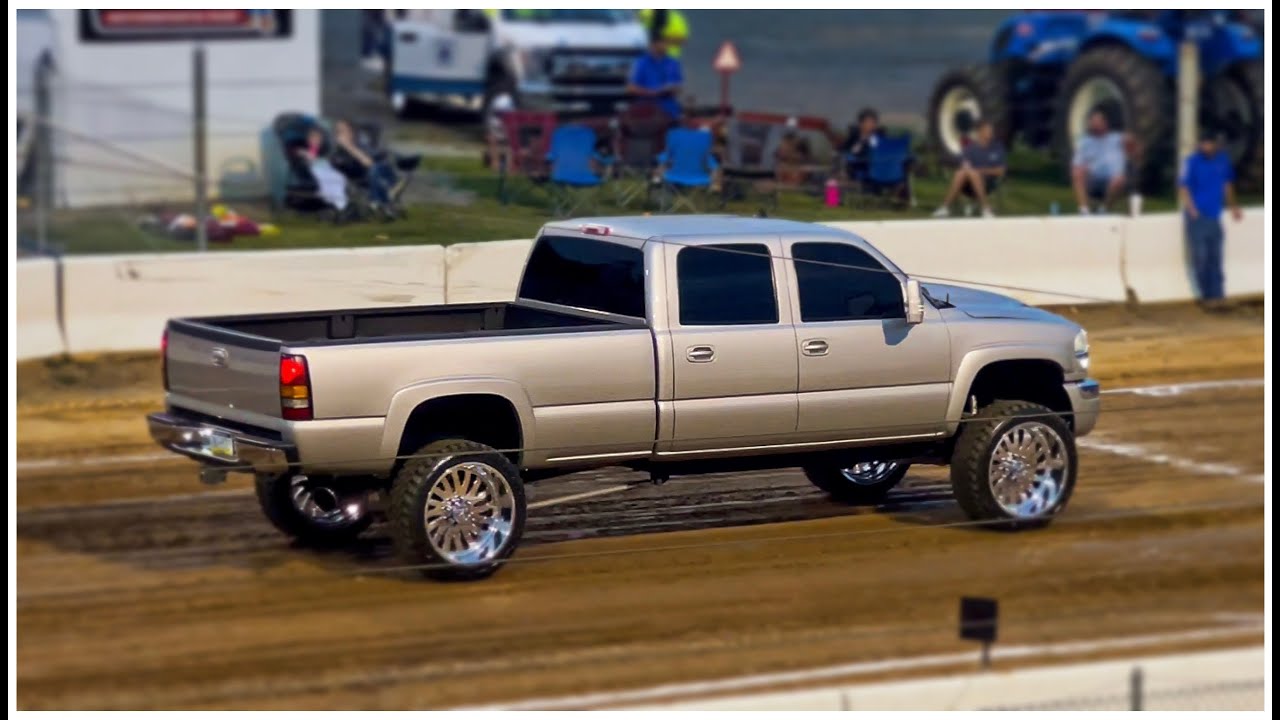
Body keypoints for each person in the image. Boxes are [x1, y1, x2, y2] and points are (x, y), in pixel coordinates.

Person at [1179, 129, 1244, 309]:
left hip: (1215, 215)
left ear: (1215, 144)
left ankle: (1218, 294)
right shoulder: (1191, 162)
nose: (1206, 146)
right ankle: (1207, 295)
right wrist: (1191, 208)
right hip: (1198, 215)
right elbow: (1184, 187)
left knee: (1215, 257)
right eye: (1203, 143)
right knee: (1201, 257)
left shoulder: (1223, 160)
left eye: (1209, 143)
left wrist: (1233, 206)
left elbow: (1227, 185)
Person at [932, 119, 1006, 218]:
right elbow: (964, 165)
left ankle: (985, 208)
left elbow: (1000, 171)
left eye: (991, 130)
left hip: (988, 182)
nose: (990, 133)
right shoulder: (970, 149)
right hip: (968, 184)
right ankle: (945, 208)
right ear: (979, 132)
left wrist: (980, 171)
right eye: (987, 130)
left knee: (971, 173)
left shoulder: (997, 147)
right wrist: (969, 170)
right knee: (961, 173)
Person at [331, 119, 405, 212]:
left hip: (375, 174)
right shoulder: (338, 153)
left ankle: (388, 192)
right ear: (337, 136)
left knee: (382, 164)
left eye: (348, 130)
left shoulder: (359, 145)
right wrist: (348, 147)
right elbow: (367, 163)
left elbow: (375, 154)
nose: (347, 134)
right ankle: (385, 195)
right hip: (362, 178)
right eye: (341, 132)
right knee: (375, 169)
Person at [1071, 110, 1128, 214]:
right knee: (1077, 172)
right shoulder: (1084, 142)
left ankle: (1104, 210)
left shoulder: (1117, 139)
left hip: (1113, 181)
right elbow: (1076, 165)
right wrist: (1084, 169)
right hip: (1093, 180)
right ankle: (1084, 211)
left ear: (1105, 123)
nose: (1094, 125)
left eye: (1097, 122)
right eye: (1092, 122)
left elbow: (1135, 150)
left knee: (1119, 179)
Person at [627, 31, 684, 122]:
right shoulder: (640, 63)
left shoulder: (673, 63)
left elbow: (678, 87)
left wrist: (670, 89)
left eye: (667, 43)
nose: (666, 46)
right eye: (663, 43)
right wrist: (652, 92)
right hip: (645, 108)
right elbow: (631, 88)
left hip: (668, 109)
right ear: (653, 44)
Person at [295, 127, 350, 214]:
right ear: (309, 139)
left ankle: (339, 201)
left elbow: (326, 159)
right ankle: (336, 201)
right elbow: (309, 158)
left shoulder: (322, 149)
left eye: (318, 138)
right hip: (317, 169)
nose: (316, 140)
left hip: (325, 167)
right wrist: (305, 154)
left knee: (339, 178)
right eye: (313, 138)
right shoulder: (309, 149)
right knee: (329, 179)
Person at [840, 108, 885, 183]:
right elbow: (846, 150)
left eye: (873, 122)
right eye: (868, 122)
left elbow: (879, 149)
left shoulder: (879, 136)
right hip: (858, 166)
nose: (871, 125)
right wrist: (861, 142)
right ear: (861, 124)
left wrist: (871, 138)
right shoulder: (854, 137)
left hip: (877, 167)